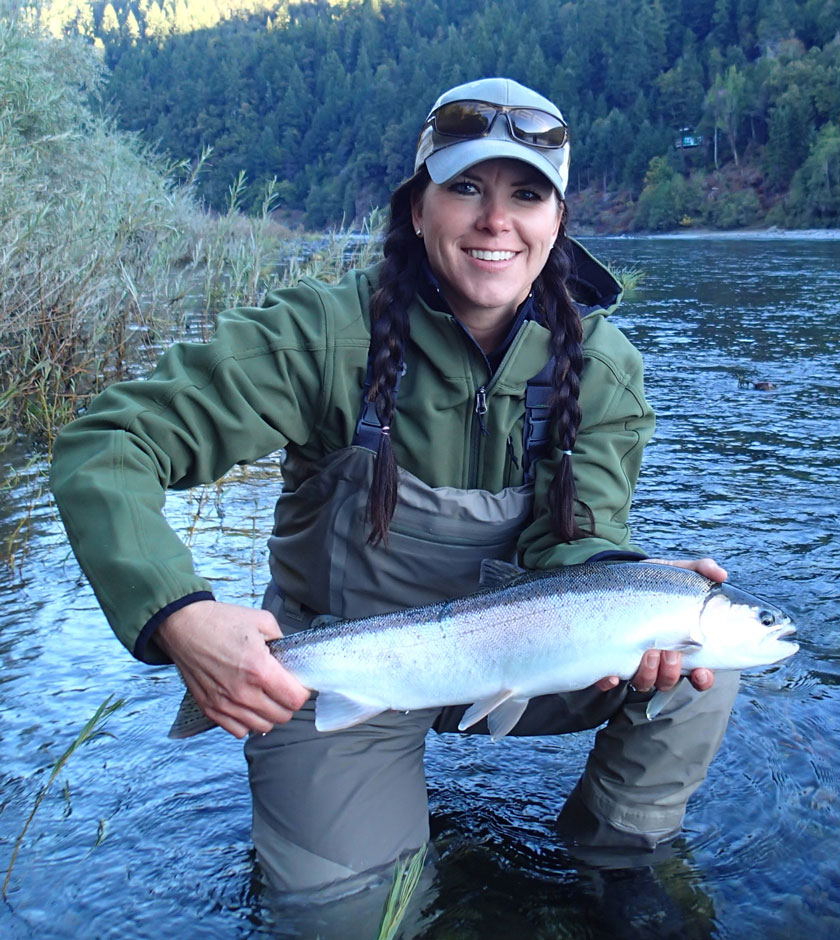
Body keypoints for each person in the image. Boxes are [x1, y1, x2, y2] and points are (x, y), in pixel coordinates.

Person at [51, 77, 739, 895]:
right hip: (334, 667)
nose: (496, 220)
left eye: (527, 194)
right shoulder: (322, 333)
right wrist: (179, 617)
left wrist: (631, 590)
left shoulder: (604, 368)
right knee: (345, 915)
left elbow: (578, 538)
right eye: (466, 188)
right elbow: (108, 444)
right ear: (418, 208)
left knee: (705, 667)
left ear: (557, 224)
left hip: (521, 661)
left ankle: (618, 872)